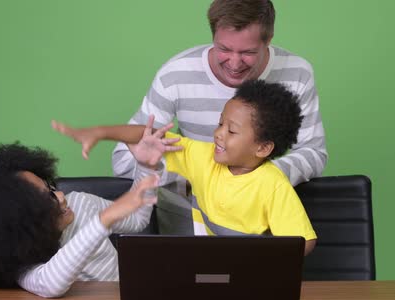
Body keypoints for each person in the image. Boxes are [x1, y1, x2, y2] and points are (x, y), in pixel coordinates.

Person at [112, 0, 327, 234]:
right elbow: (124, 159)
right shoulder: (175, 74)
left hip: (259, 222)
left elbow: (313, 152)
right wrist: (202, 184)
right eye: (224, 49)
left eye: (248, 52)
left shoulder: (297, 72)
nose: (234, 63)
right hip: (184, 219)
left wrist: (258, 183)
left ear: (269, 39)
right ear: (213, 35)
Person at [53, 79, 317, 255]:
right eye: (220, 123)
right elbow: (151, 134)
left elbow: (304, 241)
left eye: (232, 131)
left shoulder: (273, 185)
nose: (219, 134)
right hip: (203, 269)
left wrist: (266, 264)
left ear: (262, 148)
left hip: (245, 275)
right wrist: (101, 132)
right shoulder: (206, 158)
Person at [0, 142, 159, 298]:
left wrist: (147, 166)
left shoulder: (81, 204)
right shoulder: (25, 263)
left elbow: (138, 219)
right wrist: (103, 221)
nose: (62, 198)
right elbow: (51, 286)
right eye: (48, 200)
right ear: (22, 227)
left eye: (51, 188)